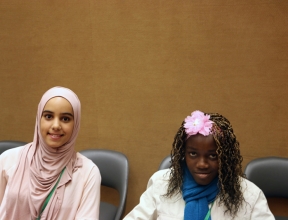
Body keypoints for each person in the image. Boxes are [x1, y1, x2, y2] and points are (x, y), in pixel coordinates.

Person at [123, 110, 275, 220]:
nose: (202, 164)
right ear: (183, 154)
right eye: (193, 154)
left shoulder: (249, 195)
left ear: (225, 158)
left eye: (213, 155)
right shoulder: (162, 184)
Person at [0, 86, 101, 220]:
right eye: (48, 116)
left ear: (75, 123)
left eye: (65, 119)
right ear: (39, 119)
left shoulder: (88, 173)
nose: (56, 125)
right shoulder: (8, 159)